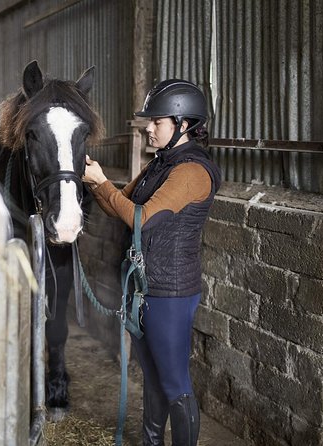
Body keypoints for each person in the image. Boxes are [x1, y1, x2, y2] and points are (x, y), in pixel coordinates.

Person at [83, 79, 221, 446]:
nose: (148, 127)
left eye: (157, 121)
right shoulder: (160, 164)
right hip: (145, 288)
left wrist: (103, 184)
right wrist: (96, 183)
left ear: (183, 125)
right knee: (153, 376)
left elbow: (141, 219)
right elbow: (117, 206)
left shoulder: (191, 171)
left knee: (175, 382)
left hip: (171, 292)